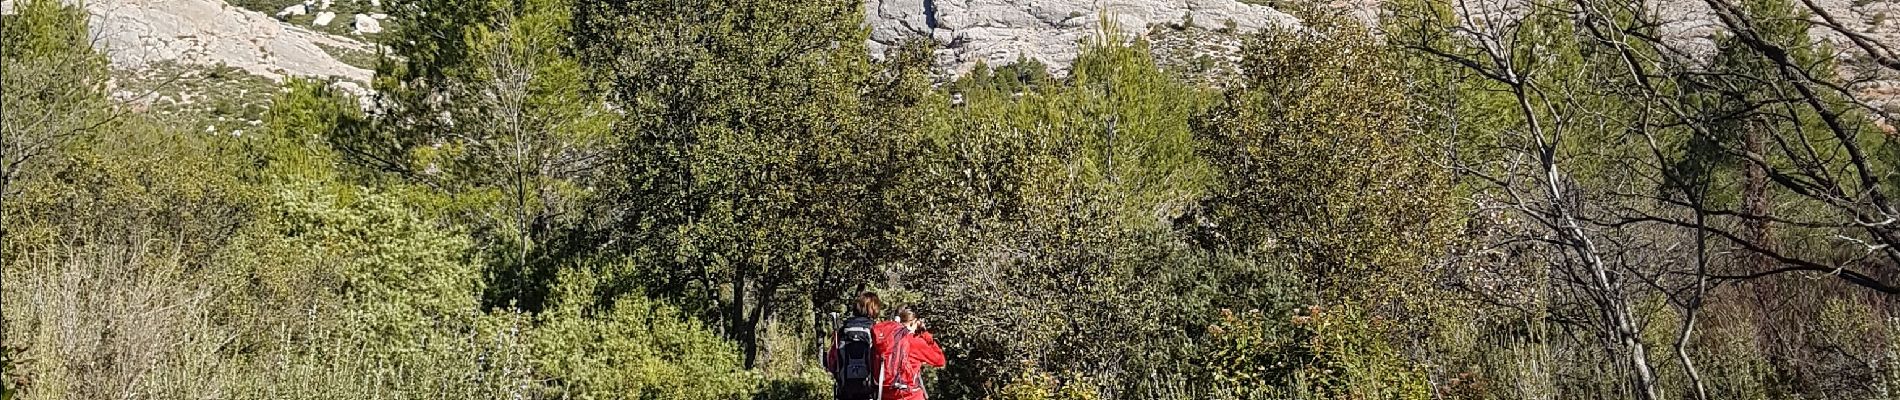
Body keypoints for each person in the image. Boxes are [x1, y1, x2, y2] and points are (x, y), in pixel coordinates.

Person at [826, 292, 906, 400]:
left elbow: (831, 361)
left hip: (845, 390)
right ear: (874, 309)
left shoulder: (843, 329)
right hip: (869, 390)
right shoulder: (876, 330)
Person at [880, 307, 946, 400]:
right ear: (914, 322)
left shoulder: (884, 339)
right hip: (910, 395)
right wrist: (925, 334)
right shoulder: (915, 341)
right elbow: (940, 360)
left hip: (886, 394)